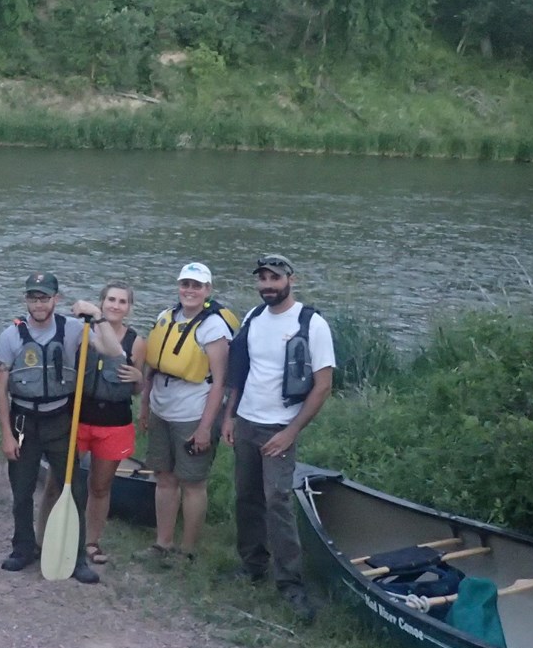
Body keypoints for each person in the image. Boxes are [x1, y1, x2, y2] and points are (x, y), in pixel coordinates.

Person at [222, 254, 336, 621]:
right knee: (246, 497)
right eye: (263, 279)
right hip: (246, 422)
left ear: (291, 279)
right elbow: (240, 372)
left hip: (279, 427)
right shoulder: (254, 318)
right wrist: (229, 416)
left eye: (275, 278)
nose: (268, 285)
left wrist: (291, 432)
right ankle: (252, 564)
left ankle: (290, 582)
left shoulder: (312, 323)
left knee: (278, 501)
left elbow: (323, 386)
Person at [0, 272, 101, 584]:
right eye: (33, 297)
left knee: (76, 489)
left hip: (60, 421)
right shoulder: (11, 336)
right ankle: (23, 547)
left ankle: (77, 555)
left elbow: (111, 350)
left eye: (44, 297)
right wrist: (6, 434)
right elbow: (0, 389)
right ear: (26, 300)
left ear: (57, 299)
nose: (38, 304)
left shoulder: (74, 328)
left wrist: (97, 318)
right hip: (24, 422)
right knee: (22, 491)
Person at [139, 262, 240, 564]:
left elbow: (219, 382)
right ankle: (162, 543)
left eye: (197, 286)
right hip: (162, 409)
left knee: (193, 483)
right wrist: (144, 407)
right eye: (186, 284)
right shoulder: (165, 317)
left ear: (207, 290)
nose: (190, 291)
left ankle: (188, 550)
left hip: (193, 413)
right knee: (164, 478)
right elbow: (151, 370)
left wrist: (205, 428)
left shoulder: (213, 327)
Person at [73, 281, 146, 566]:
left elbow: (138, 388)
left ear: (129, 307)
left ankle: (91, 541)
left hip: (114, 422)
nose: (116, 306)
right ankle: (48, 536)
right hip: (80, 417)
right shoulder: (84, 332)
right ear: (102, 303)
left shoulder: (137, 342)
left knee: (100, 487)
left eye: (122, 302)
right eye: (111, 300)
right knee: (60, 481)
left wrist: (140, 380)